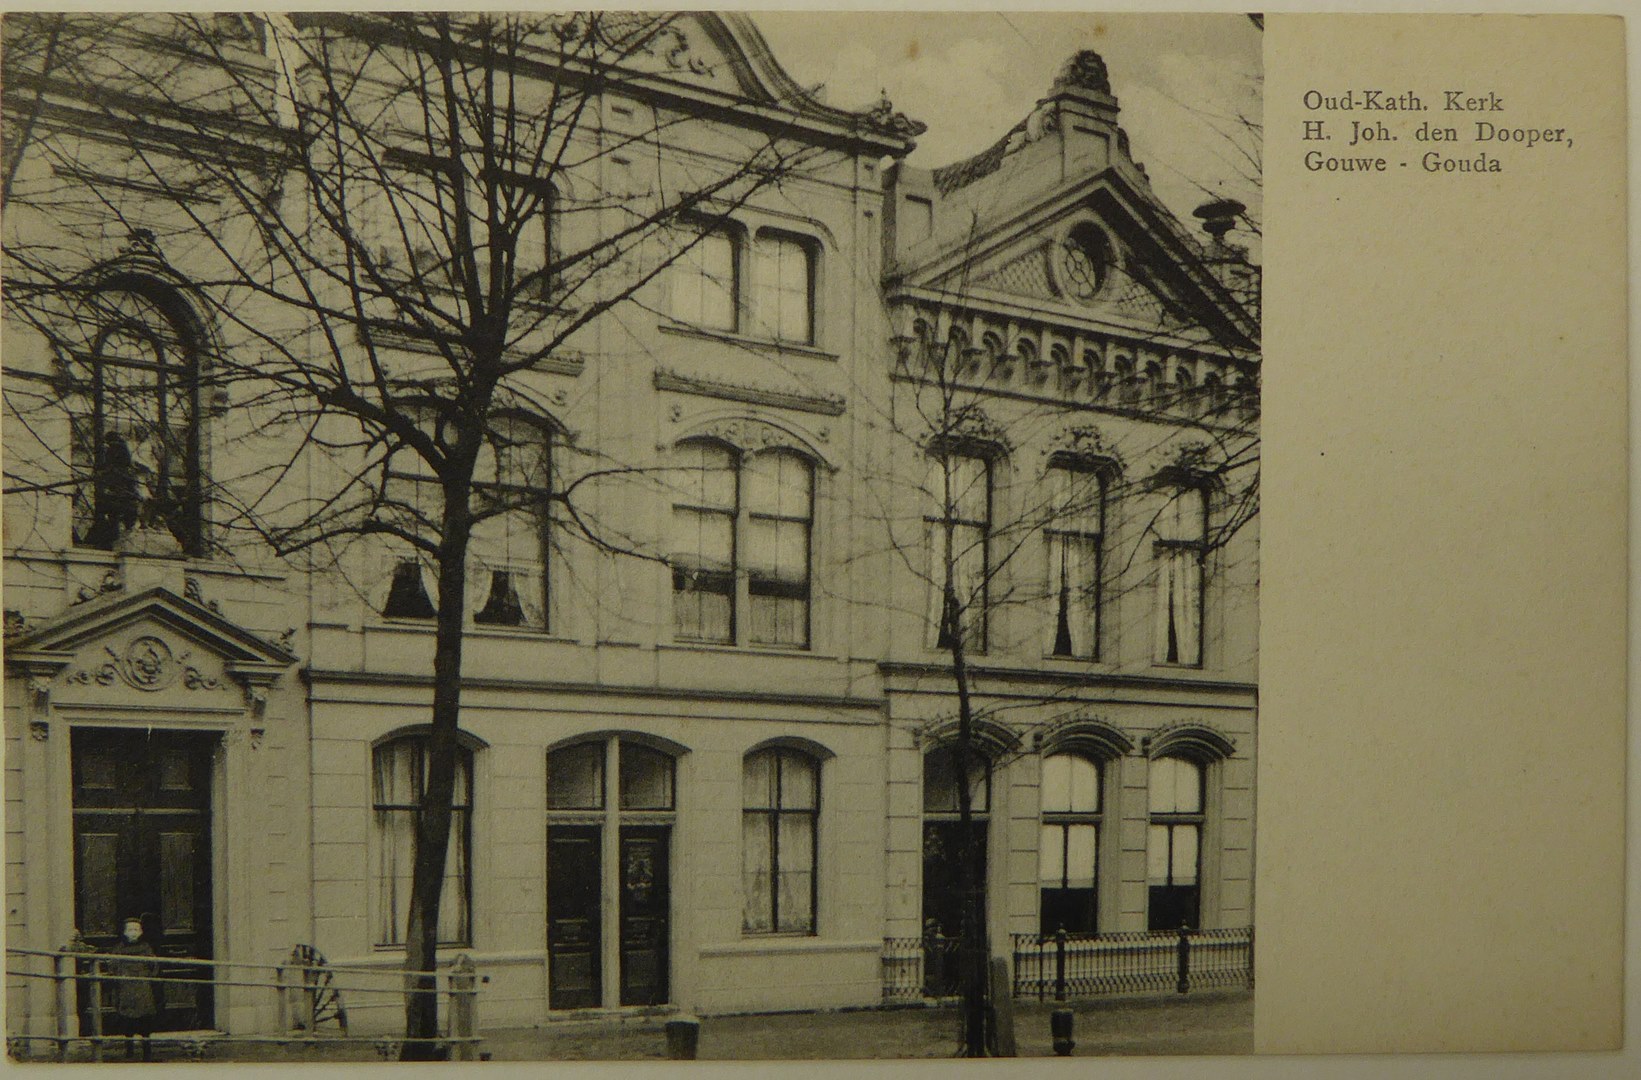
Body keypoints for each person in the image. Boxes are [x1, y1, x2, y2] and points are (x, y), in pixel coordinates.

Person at [108, 916, 161, 1061]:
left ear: (141, 932)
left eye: (136, 930)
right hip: (126, 988)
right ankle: (129, 1050)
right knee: (127, 1020)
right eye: (130, 930)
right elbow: (112, 966)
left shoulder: (146, 948)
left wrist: (147, 976)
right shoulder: (119, 949)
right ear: (124, 932)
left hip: (143, 988)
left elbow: (154, 965)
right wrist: (120, 976)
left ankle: (147, 1051)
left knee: (145, 1021)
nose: (133, 933)